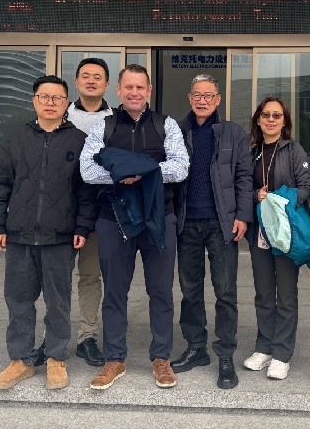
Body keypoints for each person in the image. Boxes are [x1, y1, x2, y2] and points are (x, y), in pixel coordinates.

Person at [80, 63, 189, 390]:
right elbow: (88, 170)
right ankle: (115, 358)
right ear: (118, 90)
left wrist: (138, 172)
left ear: (149, 90)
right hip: (114, 219)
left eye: (140, 87)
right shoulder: (104, 126)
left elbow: (180, 167)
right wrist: (125, 173)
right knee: (114, 291)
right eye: (128, 87)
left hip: (159, 217)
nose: (134, 92)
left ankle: (161, 357)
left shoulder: (166, 124)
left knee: (161, 291)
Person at [0, 75, 91, 391]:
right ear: (34, 101)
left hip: (60, 236)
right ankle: (21, 360)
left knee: (58, 301)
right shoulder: (16, 138)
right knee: (18, 300)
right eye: (44, 97)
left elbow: (87, 191)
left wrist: (82, 227)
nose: (50, 103)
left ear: (66, 103)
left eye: (57, 98)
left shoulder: (79, 140)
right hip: (19, 234)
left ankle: (56, 357)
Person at [171, 74, 253, 389]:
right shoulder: (177, 130)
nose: (202, 100)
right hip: (186, 223)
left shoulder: (232, 132)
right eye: (197, 94)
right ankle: (196, 348)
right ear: (189, 98)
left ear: (218, 99)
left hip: (222, 223)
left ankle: (225, 354)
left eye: (208, 95)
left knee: (225, 292)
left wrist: (242, 215)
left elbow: (244, 176)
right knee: (190, 291)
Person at [243, 96, 310, 381]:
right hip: (260, 232)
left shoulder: (294, 150)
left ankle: (282, 353)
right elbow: (241, 187)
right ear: (258, 120)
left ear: (284, 122)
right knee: (263, 293)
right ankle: (264, 347)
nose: (271, 119)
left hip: (286, 231)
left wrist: (279, 200)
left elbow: (307, 187)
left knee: (285, 294)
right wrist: (255, 195)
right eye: (266, 115)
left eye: (277, 115)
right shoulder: (251, 152)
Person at [66, 57, 113, 367]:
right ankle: (54, 335)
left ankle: (87, 336)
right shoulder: (62, 114)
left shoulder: (115, 120)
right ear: (77, 82)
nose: (91, 80)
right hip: (61, 211)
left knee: (90, 276)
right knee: (55, 278)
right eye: (86, 75)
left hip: (98, 212)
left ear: (107, 85)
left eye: (98, 76)